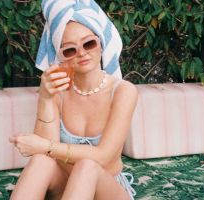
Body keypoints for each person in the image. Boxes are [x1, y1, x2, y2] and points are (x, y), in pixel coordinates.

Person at [9, 1, 138, 199]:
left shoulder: (123, 91)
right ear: (60, 55)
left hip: (105, 187)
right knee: (40, 162)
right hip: (65, 185)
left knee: (87, 166)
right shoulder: (58, 90)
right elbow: (43, 153)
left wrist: (46, 147)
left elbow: (103, 157)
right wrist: (45, 97)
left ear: (101, 43)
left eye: (89, 43)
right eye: (70, 49)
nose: (82, 53)